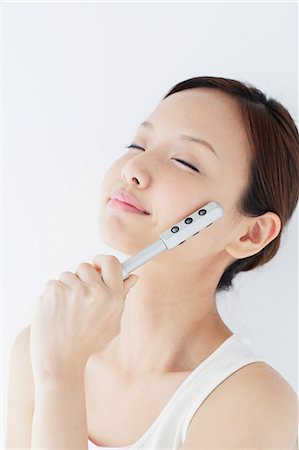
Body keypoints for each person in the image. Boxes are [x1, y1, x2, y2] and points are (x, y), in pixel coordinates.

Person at [6, 76, 299, 449]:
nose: (135, 168)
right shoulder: (40, 345)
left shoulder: (252, 402)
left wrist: (60, 378)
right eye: (137, 144)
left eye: (185, 162)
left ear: (250, 234)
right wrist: (53, 366)